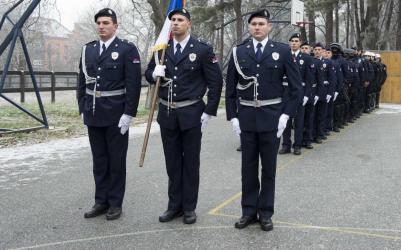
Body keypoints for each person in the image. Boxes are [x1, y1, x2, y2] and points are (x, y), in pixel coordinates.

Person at [145, 8, 223, 224]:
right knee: (172, 162)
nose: (175, 23)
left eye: (180, 20)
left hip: (191, 113)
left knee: (190, 162)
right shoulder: (161, 48)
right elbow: (148, 74)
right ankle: (174, 206)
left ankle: (189, 207)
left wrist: (209, 111)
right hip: (167, 112)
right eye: (173, 20)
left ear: (189, 24)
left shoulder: (202, 49)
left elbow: (215, 82)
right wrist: (153, 74)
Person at [225, 9, 300, 231]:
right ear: (249, 27)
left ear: (269, 27)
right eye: (253, 24)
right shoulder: (239, 52)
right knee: (248, 168)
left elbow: (296, 89)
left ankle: (265, 212)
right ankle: (248, 211)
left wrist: (286, 115)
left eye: (261, 23)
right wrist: (233, 116)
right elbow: (230, 89)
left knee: (269, 168)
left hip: (272, 118)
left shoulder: (283, 51)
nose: (257, 27)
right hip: (247, 117)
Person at [77, 8, 141, 220]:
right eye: (99, 23)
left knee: (116, 161)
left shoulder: (126, 49)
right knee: (99, 161)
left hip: (116, 114)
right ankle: (100, 201)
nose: (101, 27)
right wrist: (81, 108)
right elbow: (81, 82)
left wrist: (129, 113)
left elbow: (133, 84)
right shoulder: (88, 50)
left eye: (106, 23)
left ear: (115, 25)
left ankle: (115, 203)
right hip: (93, 112)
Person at [279, 33, 315, 155]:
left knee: (299, 121)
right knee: (286, 121)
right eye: (292, 41)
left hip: (299, 93)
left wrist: (306, 95)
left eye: (296, 41)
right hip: (285, 93)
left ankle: (297, 145)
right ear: (289, 43)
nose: (294, 43)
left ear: (300, 43)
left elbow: (310, 80)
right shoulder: (284, 56)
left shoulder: (306, 58)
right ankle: (286, 145)